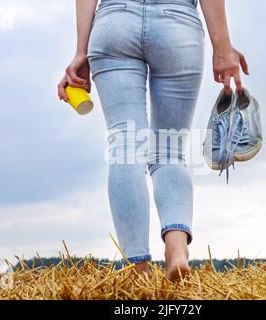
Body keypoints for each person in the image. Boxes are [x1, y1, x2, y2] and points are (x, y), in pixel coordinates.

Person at [57, 0, 249, 281]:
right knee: (169, 151)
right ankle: (176, 249)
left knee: (125, 148)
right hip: (177, 23)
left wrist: (80, 51)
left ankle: (136, 272)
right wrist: (222, 47)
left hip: (115, 22)